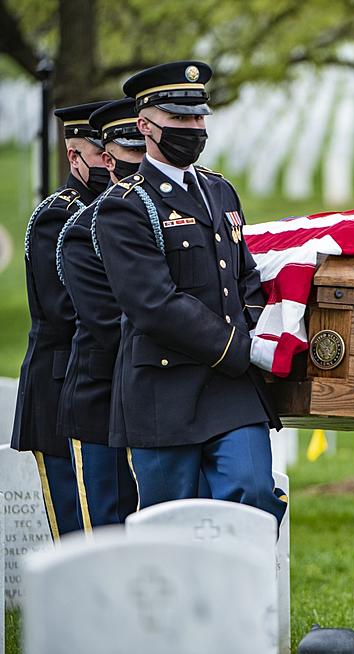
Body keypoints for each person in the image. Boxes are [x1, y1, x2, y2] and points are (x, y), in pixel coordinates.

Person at [92, 61, 285, 524]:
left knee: (255, 494)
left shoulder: (219, 191)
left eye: (199, 117)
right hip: (165, 389)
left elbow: (245, 276)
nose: (193, 128)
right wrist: (240, 347)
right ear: (146, 125)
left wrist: (259, 328)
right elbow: (153, 305)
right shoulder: (125, 206)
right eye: (180, 118)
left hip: (231, 390)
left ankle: (242, 599)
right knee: (172, 525)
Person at [12, 100, 111, 540]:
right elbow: (67, 308)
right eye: (101, 153)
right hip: (59, 388)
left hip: (97, 380)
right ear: (75, 156)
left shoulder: (116, 207)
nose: (113, 163)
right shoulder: (60, 214)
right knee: (76, 528)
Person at [56, 98, 145, 529]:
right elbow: (96, 319)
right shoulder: (74, 224)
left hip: (149, 391)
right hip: (101, 390)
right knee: (106, 526)